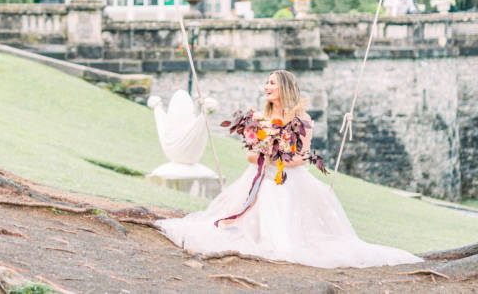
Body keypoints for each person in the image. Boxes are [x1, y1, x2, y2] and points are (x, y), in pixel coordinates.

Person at [157, 70, 422, 268]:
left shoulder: (301, 119)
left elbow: (301, 157)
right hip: (259, 177)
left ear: (284, 87)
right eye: (266, 83)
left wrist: (276, 151)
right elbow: (251, 156)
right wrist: (266, 147)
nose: (266, 87)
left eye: (272, 83)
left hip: (289, 179)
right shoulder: (258, 118)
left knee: (286, 223)